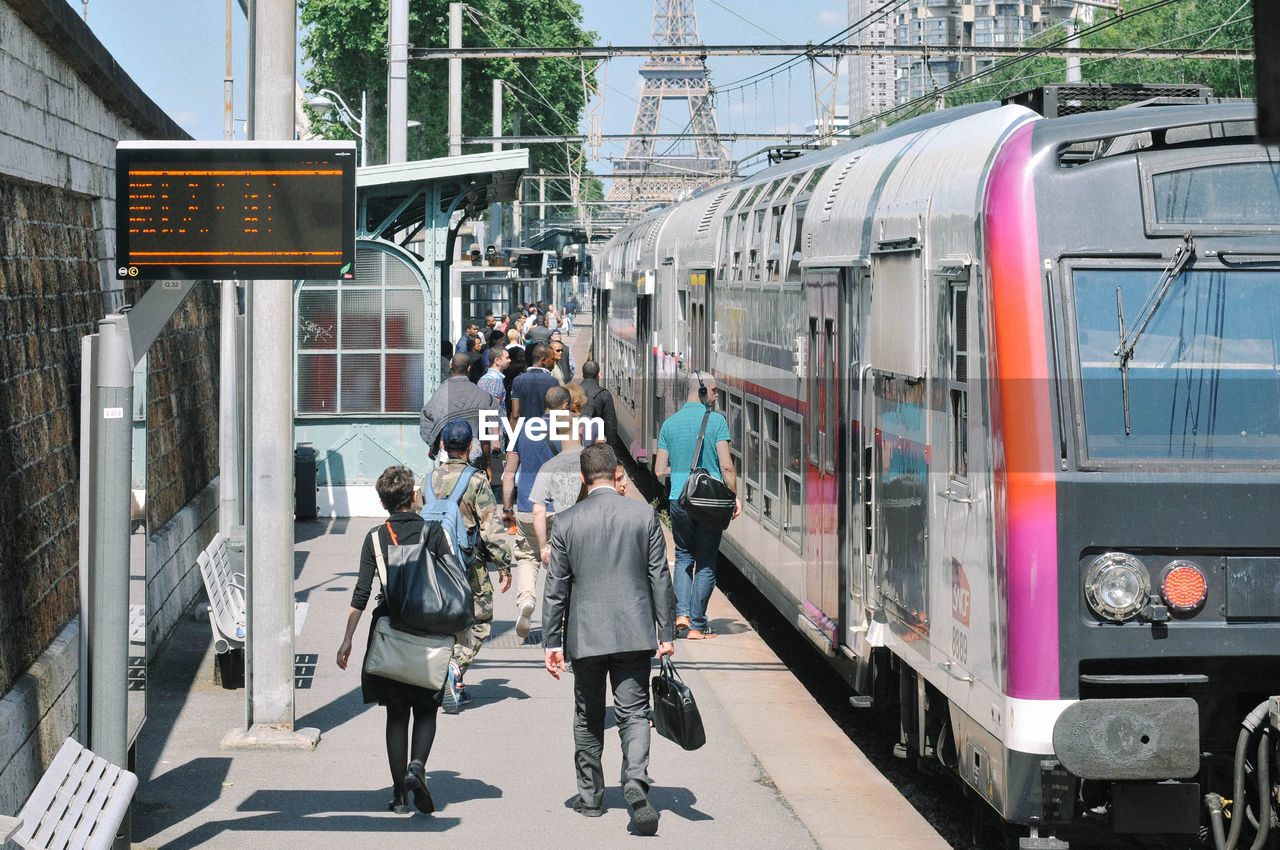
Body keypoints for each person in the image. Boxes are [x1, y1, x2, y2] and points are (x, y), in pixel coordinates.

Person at [542, 442, 676, 835]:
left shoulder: (565, 522)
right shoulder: (643, 515)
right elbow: (659, 577)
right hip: (634, 631)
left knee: (588, 714)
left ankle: (591, 798)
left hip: (585, 636)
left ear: (582, 478)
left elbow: (556, 589)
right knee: (634, 713)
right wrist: (666, 632)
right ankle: (634, 780)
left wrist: (552, 642)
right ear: (618, 474)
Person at [337, 465, 451, 815]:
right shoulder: (432, 532)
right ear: (414, 495)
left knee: (397, 714)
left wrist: (347, 639)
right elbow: (451, 581)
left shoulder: (374, 537)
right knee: (427, 707)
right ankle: (418, 765)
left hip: (389, 633)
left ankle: (400, 795)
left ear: (383, 502)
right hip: (428, 630)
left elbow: (361, 592)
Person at [427, 420, 514, 712]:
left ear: (442, 446)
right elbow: (491, 527)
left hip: (433, 564)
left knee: (443, 620)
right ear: (469, 448)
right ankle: (454, 665)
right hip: (468, 564)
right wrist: (504, 564)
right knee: (479, 618)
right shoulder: (476, 481)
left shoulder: (428, 480)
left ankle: (454, 683)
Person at [652, 370, 741, 640]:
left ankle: (681, 614)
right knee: (705, 560)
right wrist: (733, 496)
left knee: (682, 556)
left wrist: (679, 474)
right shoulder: (716, 421)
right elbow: (727, 466)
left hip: (680, 499)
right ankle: (697, 625)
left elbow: (658, 470)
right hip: (710, 503)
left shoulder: (669, 424)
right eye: (714, 391)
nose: (716, 396)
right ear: (703, 391)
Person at [502, 385, 569, 639]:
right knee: (562, 561)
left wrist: (508, 507)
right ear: (564, 406)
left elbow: (509, 473)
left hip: (528, 507)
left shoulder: (523, 429)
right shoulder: (571, 430)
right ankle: (559, 618)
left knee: (528, 557)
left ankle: (526, 602)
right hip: (561, 507)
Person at [420, 353, 500, 472]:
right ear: (469, 368)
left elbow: (430, 418)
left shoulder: (441, 393)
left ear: (450, 366)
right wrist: (488, 463)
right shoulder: (479, 394)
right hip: (472, 453)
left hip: (446, 454)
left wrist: (432, 445)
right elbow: (488, 426)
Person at [509, 343, 559, 426]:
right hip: (544, 430)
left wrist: (512, 437)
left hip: (523, 431)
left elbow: (515, 414)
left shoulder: (518, 380)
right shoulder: (553, 382)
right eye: (552, 359)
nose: (554, 362)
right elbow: (555, 412)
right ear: (543, 360)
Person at [579, 361, 619, 451]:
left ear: (582, 374)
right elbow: (610, 423)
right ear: (598, 375)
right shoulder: (604, 394)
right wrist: (611, 447)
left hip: (577, 438)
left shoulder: (573, 392)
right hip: (595, 443)